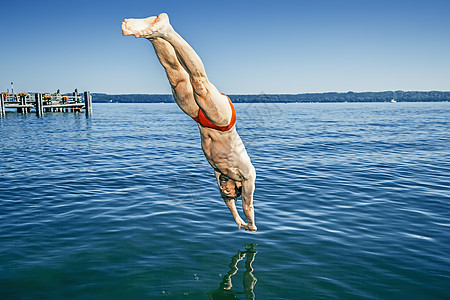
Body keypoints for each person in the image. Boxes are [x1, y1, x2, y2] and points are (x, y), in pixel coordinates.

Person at [122, 13, 257, 232]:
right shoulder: (246, 173)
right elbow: (247, 204)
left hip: (199, 119)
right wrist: (250, 223)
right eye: (229, 189)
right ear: (239, 185)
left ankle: (154, 34)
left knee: (176, 79)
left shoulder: (218, 171)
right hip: (223, 121)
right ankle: (168, 31)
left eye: (223, 189)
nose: (224, 188)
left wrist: (234, 217)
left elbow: (228, 200)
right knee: (200, 84)